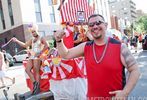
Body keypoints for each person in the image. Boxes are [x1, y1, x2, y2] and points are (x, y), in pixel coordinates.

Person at [54, 14, 140, 99]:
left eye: (98, 23)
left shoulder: (120, 47)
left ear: (105, 25)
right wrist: (59, 41)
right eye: (91, 25)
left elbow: (135, 70)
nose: (95, 26)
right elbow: (66, 54)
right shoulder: (86, 47)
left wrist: (125, 92)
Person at [12, 24, 49, 95]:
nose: (33, 33)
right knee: (27, 70)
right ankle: (35, 83)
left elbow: (47, 45)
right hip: (32, 56)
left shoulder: (41, 37)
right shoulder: (32, 39)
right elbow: (25, 45)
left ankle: (37, 88)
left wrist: (40, 52)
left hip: (37, 56)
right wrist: (17, 41)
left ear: (37, 30)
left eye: (34, 31)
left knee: (36, 71)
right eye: (32, 32)